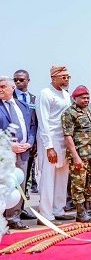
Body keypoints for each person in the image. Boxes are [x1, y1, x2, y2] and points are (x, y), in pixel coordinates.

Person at [36, 66, 75, 225]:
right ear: (53, 78)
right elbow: (43, 122)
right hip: (50, 139)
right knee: (48, 176)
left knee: (62, 175)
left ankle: (58, 210)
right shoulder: (45, 94)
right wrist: (49, 147)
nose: (66, 80)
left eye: (68, 77)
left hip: (63, 140)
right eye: (63, 77)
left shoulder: (66, 95)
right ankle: (45, 214)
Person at [61, 86, 91, 223]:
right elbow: (68, 136)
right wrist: (75, 157)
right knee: (78, 184)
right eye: (83, 98)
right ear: (75, 98)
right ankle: (80, 212)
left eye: (87, 98)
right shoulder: (69, 113)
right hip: (80, 155)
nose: (86, 100)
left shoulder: (88, 111)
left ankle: (88, 208)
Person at [0, 76, 36, 230]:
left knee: (19, 185)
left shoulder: (23, 105)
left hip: (23, 153)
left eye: (2, 86)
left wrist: (30, 142)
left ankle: (14, 217)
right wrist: (9, 145)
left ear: (12, 88)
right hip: (4, 154)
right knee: (4, 186)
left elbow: (32, 126)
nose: (0, 89)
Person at [12, 69, 38, 219]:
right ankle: (11, 212)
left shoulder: (33, 98)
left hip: (30, 145)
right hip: (15, 146)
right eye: (15, 80)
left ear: (28, 80)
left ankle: (21, 208)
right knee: (13, 179)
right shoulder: (10, 98)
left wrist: (32, 142)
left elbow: (35, 122)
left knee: (26, 177)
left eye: (21, 80)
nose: (17, 82)